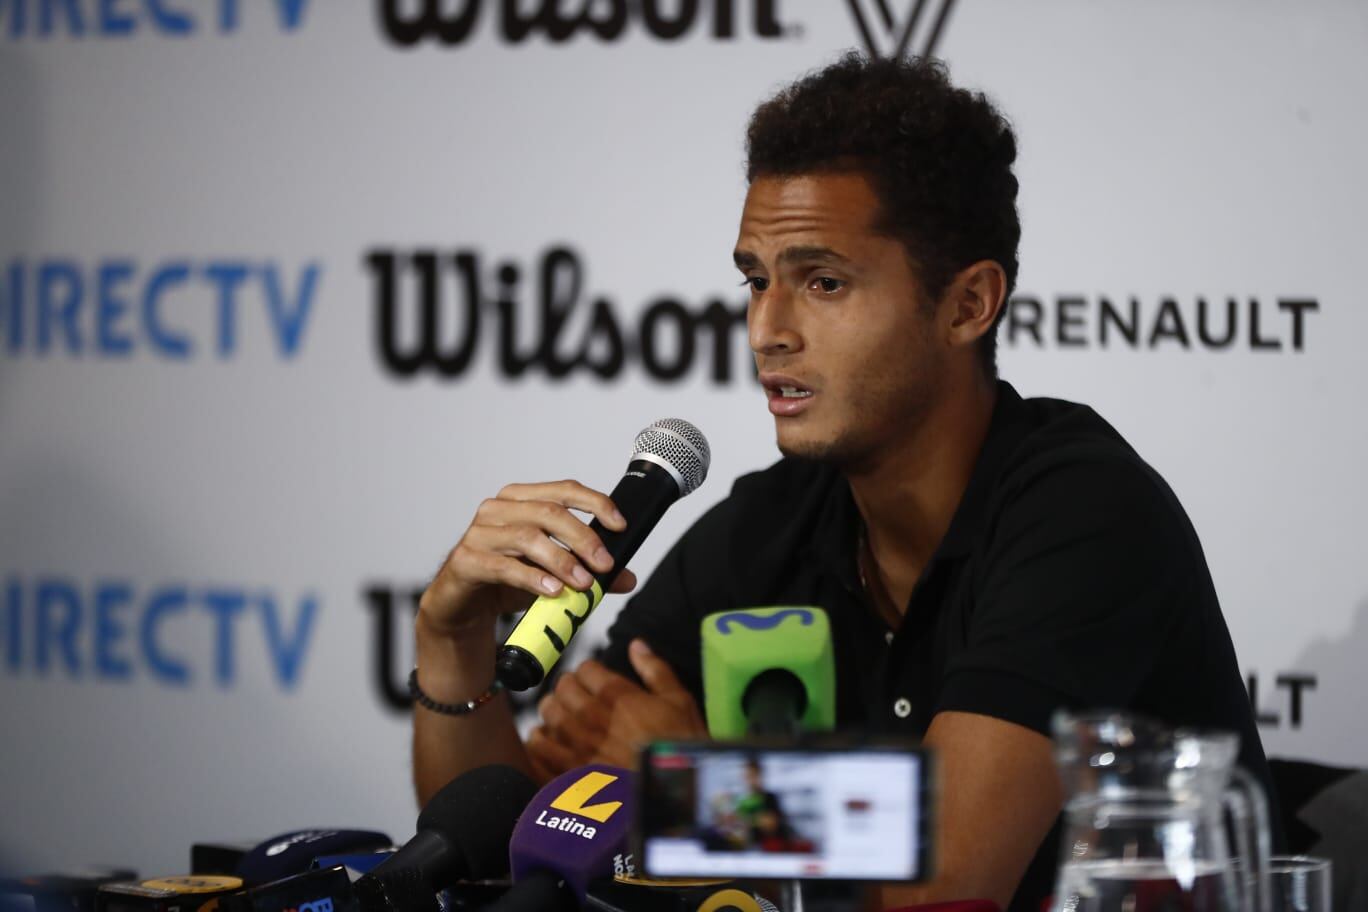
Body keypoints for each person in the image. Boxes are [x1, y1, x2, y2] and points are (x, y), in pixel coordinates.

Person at [409, 53, 1274, 911]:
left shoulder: (1086, 510)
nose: (767, 329)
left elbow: (950, 872)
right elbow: (517, 842)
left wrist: (688, 782)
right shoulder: (767, 524)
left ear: (968, 304)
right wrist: (452, 643)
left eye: (823, 282)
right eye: (755, 281)